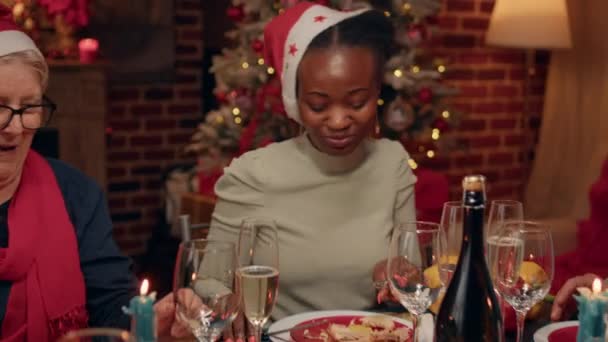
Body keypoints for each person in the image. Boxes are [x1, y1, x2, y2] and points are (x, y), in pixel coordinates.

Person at [204, 2, 417, 340]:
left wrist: (391, 277)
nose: (338, 121)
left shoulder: (392, 164)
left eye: (357, 102)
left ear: (377, 92)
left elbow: (409, 273)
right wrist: (223, 301)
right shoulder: (253, 174)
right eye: (318, 105)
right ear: (294, 99)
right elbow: (208, 281)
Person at [0, 6, 140, 340]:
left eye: (30, 106)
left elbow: (110, 303)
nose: (16, 127)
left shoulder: (76, 192)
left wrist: (149, 317)